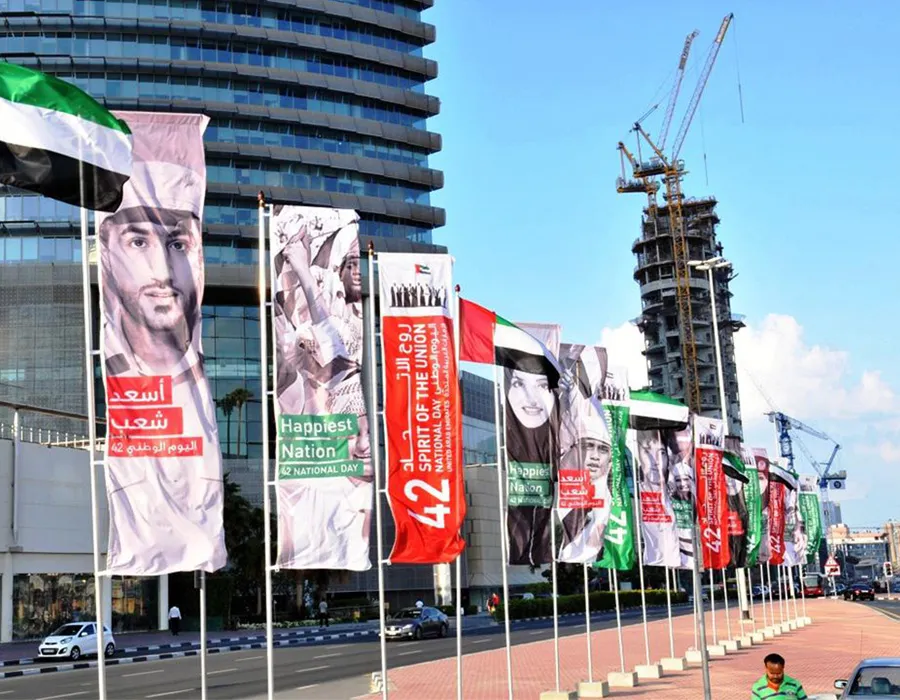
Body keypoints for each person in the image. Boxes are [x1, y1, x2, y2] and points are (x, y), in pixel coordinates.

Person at [505, 363, 558, 568]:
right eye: (518, 383)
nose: (532, 398)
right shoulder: (507, 444)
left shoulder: (554, 441)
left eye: (543, 386)